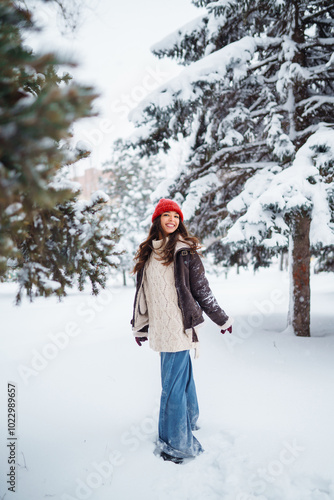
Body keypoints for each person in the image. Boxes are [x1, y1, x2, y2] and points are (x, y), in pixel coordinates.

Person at [131, 198, 233, 464]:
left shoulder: (185, 251)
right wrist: (140, 327)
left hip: (178, 327)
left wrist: (221, 319)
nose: (172, 220)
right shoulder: (148, 253)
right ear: (157, 220)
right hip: (160, 329)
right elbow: (143, 294)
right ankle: (189, 420)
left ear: (180, 221)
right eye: (166, 215)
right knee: (181, 379)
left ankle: (178, 445)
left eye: (176, 216)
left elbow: (202, 290)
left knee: (171, 387)